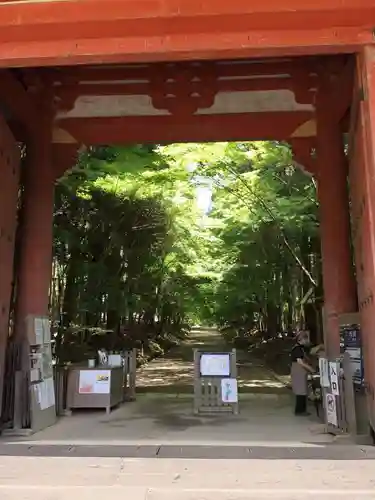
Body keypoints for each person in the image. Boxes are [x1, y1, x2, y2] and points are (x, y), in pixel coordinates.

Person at [290, 330, 321, 416]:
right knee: (300, 391)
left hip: (301, 372)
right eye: (305, 339)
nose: (306, 341)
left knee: (303, 390)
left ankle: (302, 410)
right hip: (298, 371)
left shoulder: (302, 348)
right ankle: (299, 411)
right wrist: (311, 369)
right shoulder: (297, 349)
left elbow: (311, 351)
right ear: (300, 339)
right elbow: (300, 362)